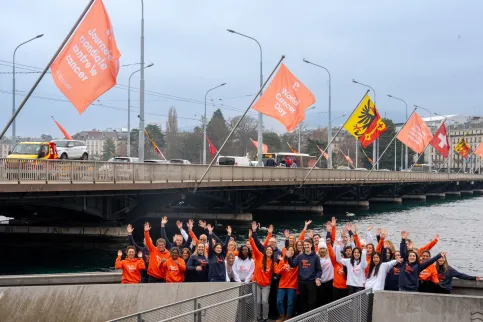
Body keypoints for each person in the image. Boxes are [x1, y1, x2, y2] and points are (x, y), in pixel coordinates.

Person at [287, 239, 322, 314]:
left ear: (311, 245)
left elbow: (319, 270)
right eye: (305, 245)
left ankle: (311, 317)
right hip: (301, 282)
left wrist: (317, 278)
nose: (306, 246)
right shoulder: (300, 256)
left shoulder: (316, 257)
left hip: (311, 282)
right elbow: (293, 265)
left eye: (307, 245)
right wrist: (289, 258)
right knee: (303, 301)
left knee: (312, 301)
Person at [249, 229, 274, 322]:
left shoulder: (273, 262)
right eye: (267, 250)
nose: (269, 251)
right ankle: (258, 317)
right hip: (256, 283)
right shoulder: (260, 256)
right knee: (258, 302)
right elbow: (254, 247)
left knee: (264, 302)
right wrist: (250, 238)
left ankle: (265, 318)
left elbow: (278, 270)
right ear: (265, 251)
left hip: (266, 285)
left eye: (270, 250)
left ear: (272, 252)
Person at [274, 247, 298, 322]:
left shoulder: (296, 260)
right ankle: (282, 316)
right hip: (282, 284)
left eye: (292, 250)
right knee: (279, 301)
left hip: (292, 284)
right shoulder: (282, 261)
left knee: (290, 302)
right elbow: (277, 271)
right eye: (289, 250)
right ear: (286, 251)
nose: (291, 251)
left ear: (294, 252)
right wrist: (283, 268)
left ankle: (288, 317)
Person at [317, 240, 334, 306]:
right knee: (322, 299)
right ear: (319, 250)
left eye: (323, 248)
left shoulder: (330, 257)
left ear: (326, 249)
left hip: (330, 281)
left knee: (330, 299)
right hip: (320, 282)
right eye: (321, 248)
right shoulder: (316, 258)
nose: (322, 250)